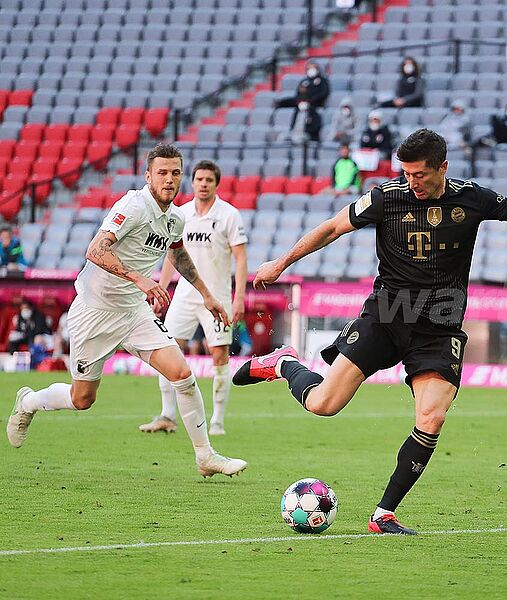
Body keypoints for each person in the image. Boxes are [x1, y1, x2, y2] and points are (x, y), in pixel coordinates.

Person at [233, 129, 507, 534]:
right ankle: (283, 363)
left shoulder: (472, 198)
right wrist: (281, 263)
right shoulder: (386, 198)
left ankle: (383, 514)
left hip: (439, 329)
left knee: (432, 417)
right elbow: (332, 228)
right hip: (387, 316)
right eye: (406, 174)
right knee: (323, 404)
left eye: (420, 174)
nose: (412, 182)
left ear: (443, 167)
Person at [7, 144, 246, 478]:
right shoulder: (133, 206)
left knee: (182, 374)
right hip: (95, 310)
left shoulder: (176, 218)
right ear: (148, 176)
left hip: (133, 312)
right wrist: (140, 279)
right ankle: (29, 402)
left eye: (175, 173)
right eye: (162, 173)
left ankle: (205, 456)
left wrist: (207, 295)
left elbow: (178, 255)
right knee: (82, 399)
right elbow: (95, 250)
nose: (169, 179)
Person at [140, 159, 248, 437]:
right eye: (199, 179)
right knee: (166, 350)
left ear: (216, 184)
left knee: (219, 356)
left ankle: (217, 421)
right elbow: (172, 255)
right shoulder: (181, 214)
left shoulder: (229, 215)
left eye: (209, 180)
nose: (203, 184)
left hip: (217, 298)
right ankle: (167, 415)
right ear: (192, 182)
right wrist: (160, 288)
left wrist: (238, 297)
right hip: (185, 296)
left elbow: (240, 258)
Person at [274, 61, 330, 132]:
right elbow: (298, 94)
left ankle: (309, 131)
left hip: (314, 103)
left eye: (313, 68)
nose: (311, 70)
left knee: (309, 110)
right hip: (301, 102)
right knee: (287, 102)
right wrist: (300, 102)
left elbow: (323, 93)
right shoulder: (304, 81)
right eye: (309, 68)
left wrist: (309, 102)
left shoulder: (322, 81)